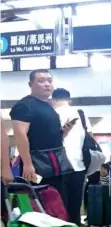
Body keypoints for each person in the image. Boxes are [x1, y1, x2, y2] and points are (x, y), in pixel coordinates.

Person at [10, 69, 77, 199]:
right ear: (30, 84)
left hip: (56, 163)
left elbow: (52, 137)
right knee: (41, 204)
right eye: (41, 81)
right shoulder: (24, 105)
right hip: (37, 164)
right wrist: (28, 164)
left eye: (49, 81)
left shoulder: (48, 106)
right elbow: (20, 136)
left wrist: (65, 131)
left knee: (57, 203)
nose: (47, 84)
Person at [51, 88, 89, 226]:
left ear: (53, 100)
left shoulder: (53, 114)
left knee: (59, 202)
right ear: (69, 100)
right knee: (75, 202)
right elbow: (87, 136)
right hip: (79, 164)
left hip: (59, 165)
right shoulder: (81, 114)